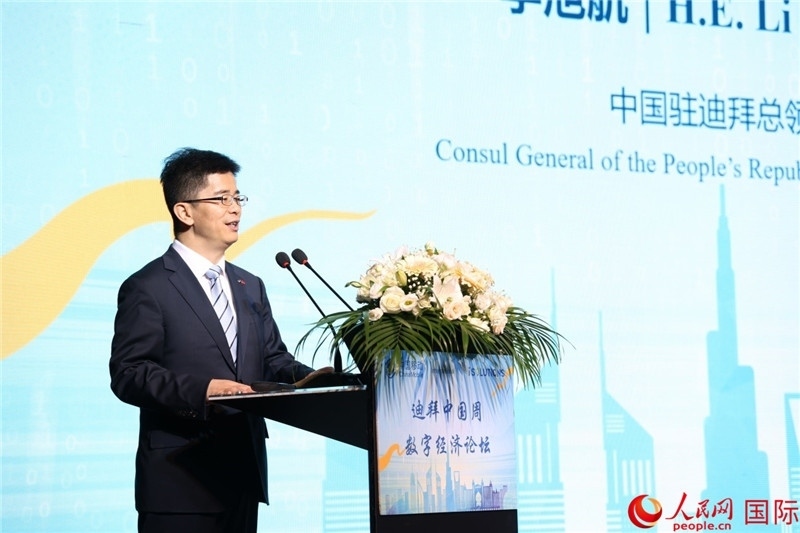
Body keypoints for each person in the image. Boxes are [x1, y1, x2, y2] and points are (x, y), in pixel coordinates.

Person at [110, 147, 326, 533]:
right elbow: (130, 373)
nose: (235, 209)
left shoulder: (249, 285)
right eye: (221, 199)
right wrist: (205, 390)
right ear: (184, 211)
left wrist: (322, 381)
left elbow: (273, 360)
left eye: (237, 197)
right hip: (180, 482)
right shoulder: (149, 286)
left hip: (242, 476)